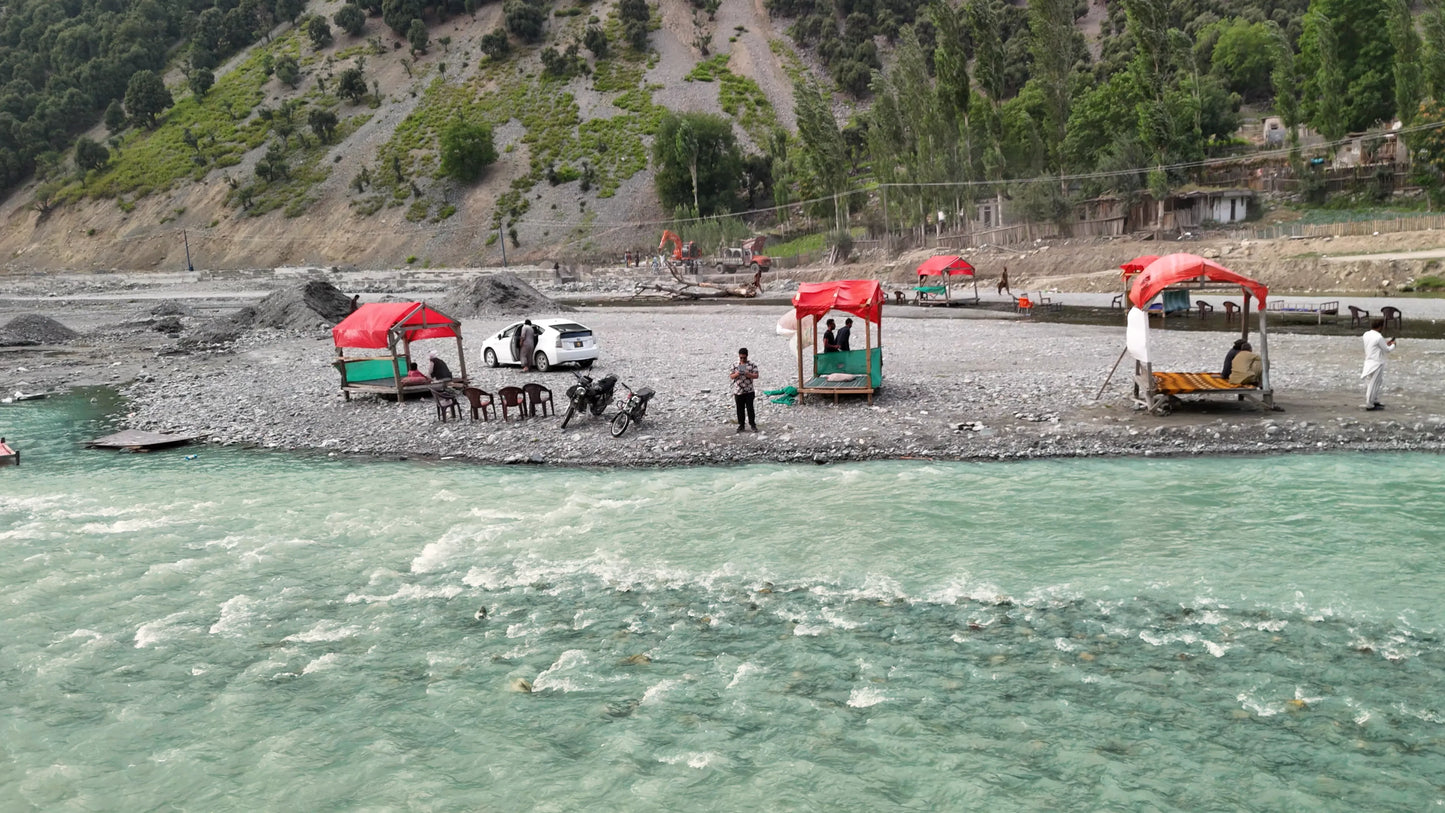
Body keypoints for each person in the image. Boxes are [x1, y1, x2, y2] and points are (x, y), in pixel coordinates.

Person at [1361, 318, 1396, 410]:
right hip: (1377, 363)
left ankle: (1374, 400)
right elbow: (1387, 350)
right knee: (1374, 383)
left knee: (1371, 382)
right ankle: (1370, 404)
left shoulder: (1366, 334)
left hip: (1368, 361)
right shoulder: (1378, 337)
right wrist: (1393, 345)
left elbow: (1374, 346)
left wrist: (1385, 343)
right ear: (1380, 326)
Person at [729, 347, 759, 432]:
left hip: (749, 390)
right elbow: (731, 376)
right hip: (738, 391)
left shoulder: (752, 364)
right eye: (741, 357)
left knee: (750, 408)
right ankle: (741, 425)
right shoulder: (735, 365)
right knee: (740, 409)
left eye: (744, 358)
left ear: (747, 356)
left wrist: (747, 373)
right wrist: (737, 374)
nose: (742, 359)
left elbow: (756, 375)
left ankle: (752, 424)